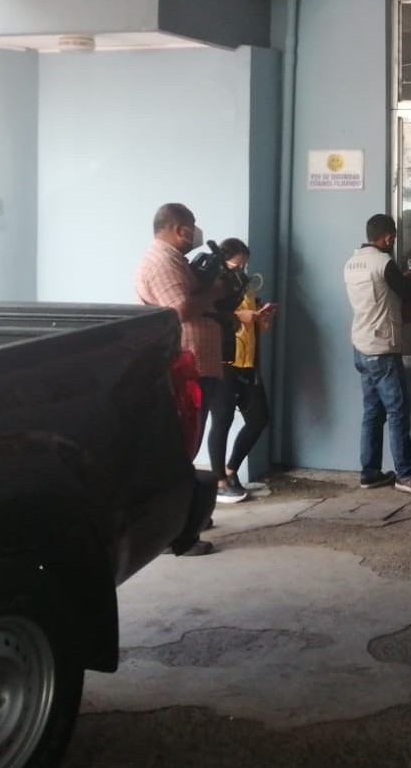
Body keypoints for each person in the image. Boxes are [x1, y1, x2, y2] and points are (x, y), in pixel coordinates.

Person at [134, 202, 229, 556]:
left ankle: (191, 518)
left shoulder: (175, 260)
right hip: (186, 367)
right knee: (179, 452)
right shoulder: (161, 262)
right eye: (192, 225)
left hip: (198, 364)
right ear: (178, 229)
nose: (195, 232)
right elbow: (180, 309)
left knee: (186, 449)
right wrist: (214, 292)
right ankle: (175, 534)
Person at [344, 213, 411, 496]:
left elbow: (382, 291)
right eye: (393, 237)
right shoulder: (383, 262)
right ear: (388, 237)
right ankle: (406, 474)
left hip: (361, 346)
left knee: (373, 412)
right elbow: (410, 291)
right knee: (398, 411)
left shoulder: (352, 262)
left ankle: (369, 472)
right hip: (382, 349)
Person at [206, 238, 276, 504]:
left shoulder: (243, 286)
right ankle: (219, 482)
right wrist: (239, 318)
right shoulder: (212, 286)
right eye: (236, 265)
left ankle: (230, 469)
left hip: (248, 363)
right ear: (223, 261)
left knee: (259, 419)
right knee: (221, 421)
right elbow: (212, 317)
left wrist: (261, 317)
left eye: (244, 265)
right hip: (224, 362)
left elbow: (251, 321)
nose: (240, 269)